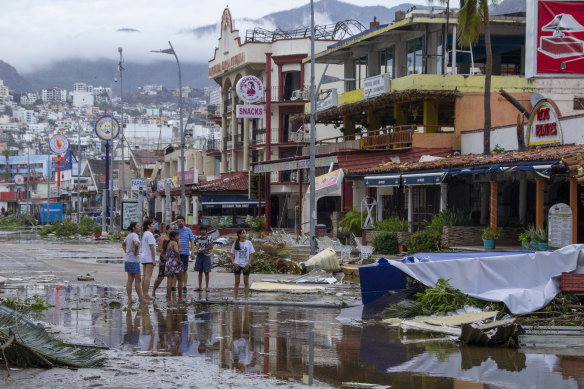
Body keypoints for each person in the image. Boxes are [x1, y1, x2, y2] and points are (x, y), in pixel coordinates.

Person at [122, 221, 148, 304]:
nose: (140, 227)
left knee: (130, 279)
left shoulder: (129, 235)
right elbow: (136, 244)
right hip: (133, 260)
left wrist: (127, 252)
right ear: (134, 228)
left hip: (128, 260)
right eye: (138, 226)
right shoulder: (135, 235)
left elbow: (123, 244)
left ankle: (130, 299)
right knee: (138, 279)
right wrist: (136, 252)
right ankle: (141, 298)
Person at [171, 216, 194, 294]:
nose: (181, 223)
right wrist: (176, 221)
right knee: (175, 270)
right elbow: (169, 225)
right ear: (177, 222)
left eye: (182, 221)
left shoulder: (188, 230)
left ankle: (184, 285)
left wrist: (193, 252)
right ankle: (174, 286)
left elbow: (192, 241)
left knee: (184, 270)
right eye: (179, 221)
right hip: (175, 253)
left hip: (185, 253)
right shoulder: (175, 229)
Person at [230, 229, 255, 300]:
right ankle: (235, 298)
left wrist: (248, 263)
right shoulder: (235, 243)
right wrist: (233, 262)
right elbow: (231, 255)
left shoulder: (249, 243)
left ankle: (246, 298)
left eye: (245, 233)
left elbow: (251, 254)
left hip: (246, 265)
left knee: (246, 282)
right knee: (237, 282)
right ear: (239, 235)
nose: (245, 234)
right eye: (243, 233)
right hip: (237, 264)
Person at [164, 230, 184, 300]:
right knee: (180, 280)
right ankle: (180, 297)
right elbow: (176, 251)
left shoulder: (168, 243)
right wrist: (179, 259)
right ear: (173, 237)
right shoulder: (175, 243)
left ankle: (169, 297)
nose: (178, 237)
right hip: (175, 262)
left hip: (168, 263)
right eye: (177, 236)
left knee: (169, 281)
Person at [140, 219, 157, 300]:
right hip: (149, 257)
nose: (154, 226)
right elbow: (152, 247)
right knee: (148, 276)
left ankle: (144, 293)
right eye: (153, 224)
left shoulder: (145, 234)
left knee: (145, 275)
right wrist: (154, 259)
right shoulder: (149, 234)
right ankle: (146, 294)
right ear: (148, 226)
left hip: (144, 256)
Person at [152, 225, 170, 297]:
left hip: (172, 259)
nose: (172, 231)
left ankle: (168, 293)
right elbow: (159, 249)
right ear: (167, 230)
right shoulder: (163, 238)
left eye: (173, 229)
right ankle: (154, 289)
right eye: (170, 229)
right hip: (164, 258)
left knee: (170, 277)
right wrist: (165, 254)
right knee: (161, 276)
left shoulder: (174, 238)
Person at [194, 225, 214, 292]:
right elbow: (195, 243)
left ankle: (207, 287)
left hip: (206, 256)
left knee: (206, 271)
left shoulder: (209, 237)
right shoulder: (197, 237)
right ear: (200, 231)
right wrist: (198, 248)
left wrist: (204, 250)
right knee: (200, 271)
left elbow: (211, 247)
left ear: (206, 231)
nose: (203, 231)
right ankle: (200, 287)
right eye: (202, 230)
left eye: (204, 230)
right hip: (199, 255)